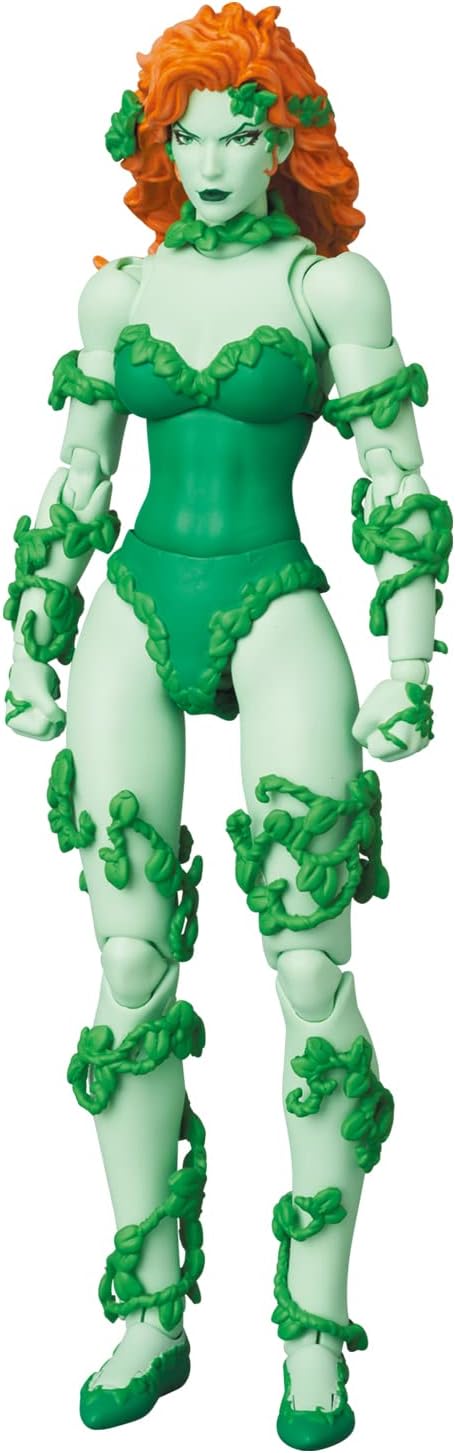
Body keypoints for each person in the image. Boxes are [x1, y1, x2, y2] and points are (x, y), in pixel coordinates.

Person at [4, 4, 451, 1445]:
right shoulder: (117, 298)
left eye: (237, 132)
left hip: (277, 605)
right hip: (137, 607)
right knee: (128, 960)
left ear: (282, 144)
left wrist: (408, 658)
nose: (209, 159)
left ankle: (315, 1334)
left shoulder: (333, 287)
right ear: (160, 146)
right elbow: (76, 477)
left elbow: (398, 485)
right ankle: (149, 1310)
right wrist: (30, 628)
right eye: (185, 134)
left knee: (310, 966)